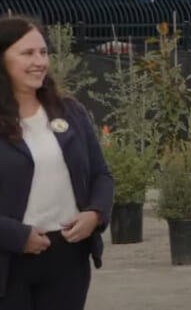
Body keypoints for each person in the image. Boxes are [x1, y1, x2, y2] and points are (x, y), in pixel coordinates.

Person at [0, 16, 113, 310]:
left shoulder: (70, 112)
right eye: (27, 53)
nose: (39, 61)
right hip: (8, 261)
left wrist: (95, 214)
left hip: (68, 257)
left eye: (43, 52)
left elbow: (101, 175)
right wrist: (17, 236)